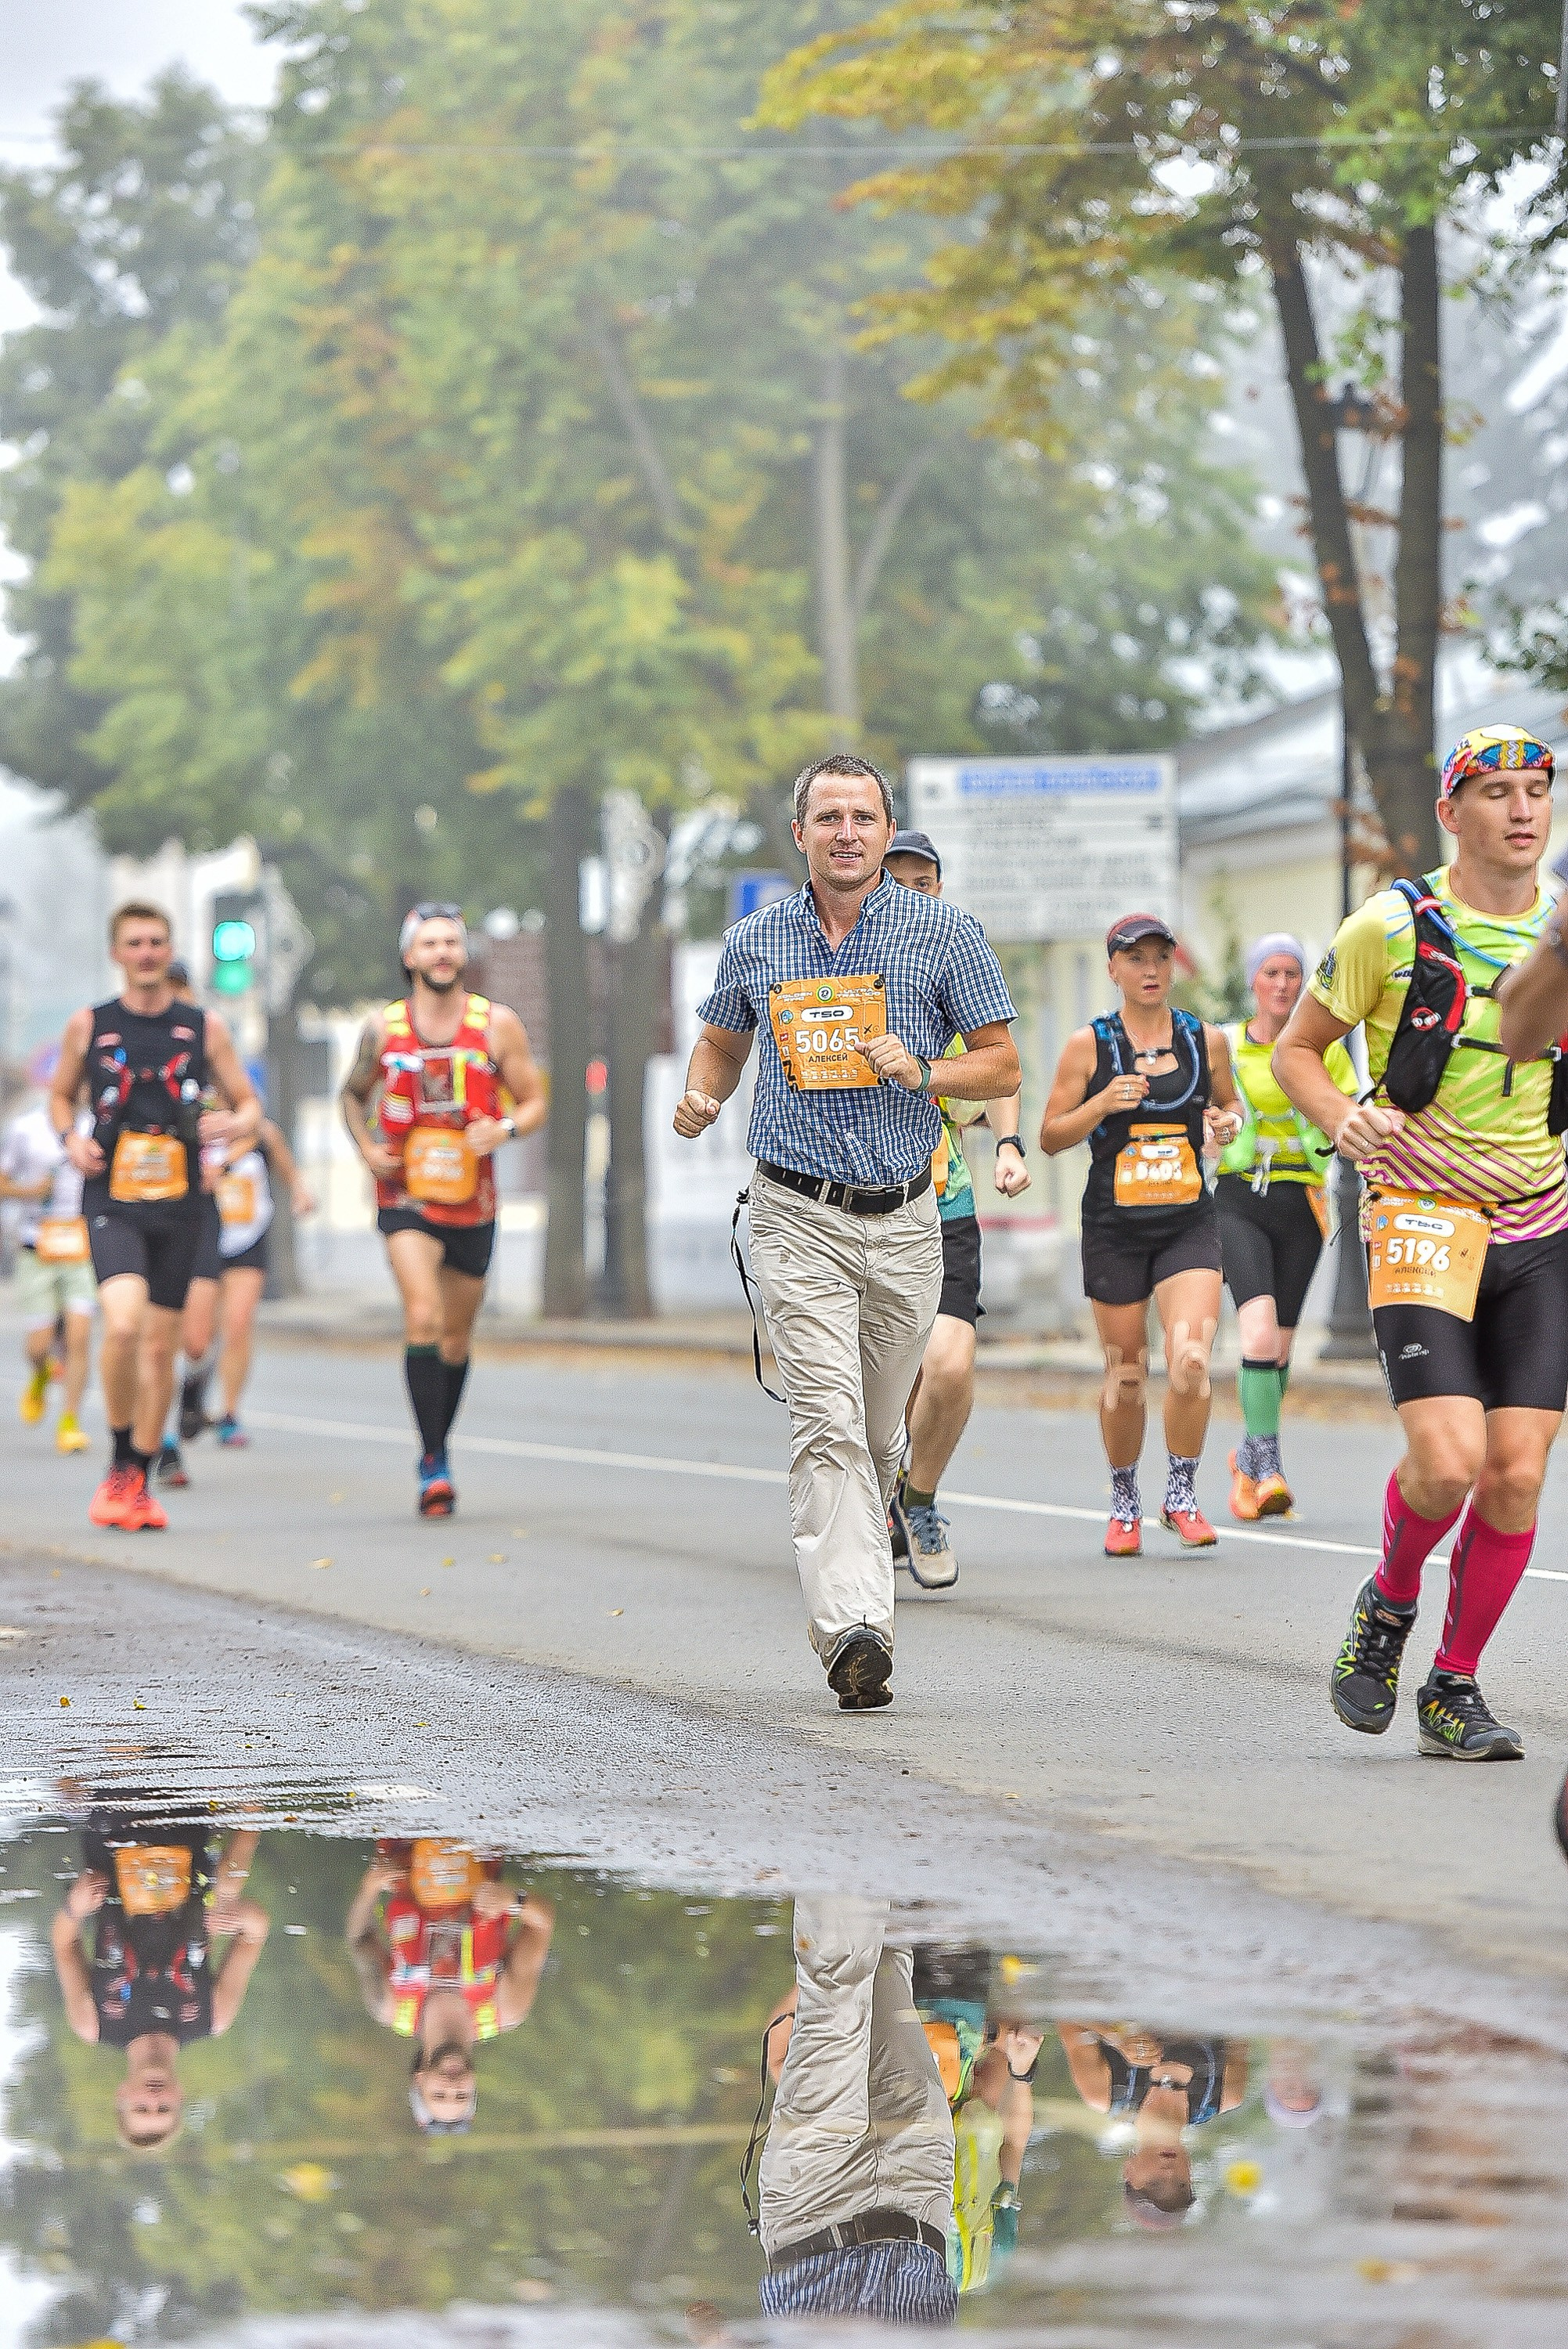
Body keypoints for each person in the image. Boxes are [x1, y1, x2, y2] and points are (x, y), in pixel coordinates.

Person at [674, 756, 1019, 1711]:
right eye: (826, 817)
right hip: (794, 1214)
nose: (845, 833)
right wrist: (705, 1091)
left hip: (906, 1218)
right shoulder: (756, 940)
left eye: (862, 817)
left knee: (874, 1433)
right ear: (800, 834)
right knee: (824, 1424)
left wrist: (922, 1070)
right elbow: (721, 1039)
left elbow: (997, 1065)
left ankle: (894, 1502)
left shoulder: (945, 936)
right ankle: (854, 1632)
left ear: (884, 828)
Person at [1274, 724, 1567, 1761]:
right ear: (1450, 813)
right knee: (1447, 1462)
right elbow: (1295, 1050)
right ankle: (1387, 1600)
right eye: (1494, 791)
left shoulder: (1562, 931)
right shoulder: (1389, 927)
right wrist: (1337, 1117)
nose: (1521, 809)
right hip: (1418, 1217)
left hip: (1538, 1224)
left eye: (1535, 788)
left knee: (1516, 1476)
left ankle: (1451, 1687)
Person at [49, 902, 259, 1532]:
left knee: (162, 1347)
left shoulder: (203, 1028)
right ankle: (119, 1458)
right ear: (116, 953)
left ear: (170, 951)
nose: (146, 953)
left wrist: (232, 1122)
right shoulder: (89, 1025)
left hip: (182, 1201)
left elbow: (249, 1105)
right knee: (121, 1326)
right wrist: (69, 1138)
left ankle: (137, 1477)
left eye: (156, 942)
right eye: (134, 942)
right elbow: (62, 1096)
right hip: (112, 1197)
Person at [1040, 912, 1242, 1557]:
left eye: (1159, 957)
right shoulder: (1088, 1046)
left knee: (1189, 1361)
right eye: (1135, 959)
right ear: (1113, 970)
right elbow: (1049, 1136)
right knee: (1126, 1372)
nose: (1150, 970)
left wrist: (1226, 1123)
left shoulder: (1203, 1040)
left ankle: (1180, 1494)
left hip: (1187, 1222)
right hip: (1114, 1228)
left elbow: (1229, 1104)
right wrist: (1101, 1103)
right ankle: (1123, 1499)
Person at [341, 904, 547, 1517]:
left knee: (455, 1337)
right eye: (429, 944)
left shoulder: (496, 1026)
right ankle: (432, 1461)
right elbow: (351, 1097)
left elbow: (533, 1101)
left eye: (451, 943)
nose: (441, 953)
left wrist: (504, 1129)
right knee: (423, 1315)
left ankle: (439, 1441)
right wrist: (365, 1147)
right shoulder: (383, 1029)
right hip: (405, 1195)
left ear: (463, 955)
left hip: (473, 1200)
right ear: (409, 956)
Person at [881, 828, 1029, 1591]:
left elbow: (998, 1065)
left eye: (924, 881)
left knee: (947, 1362)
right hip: (854, 1210)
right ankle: (877, 1498)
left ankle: (920, 1496)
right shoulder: (839, 966)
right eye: (895, 880)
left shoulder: (952, 960)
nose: (911, 893)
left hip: (941, 1201)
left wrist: (1008, 1146)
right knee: (882, 1378)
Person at [751, 1897, 957, 2326]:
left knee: (834, 2001)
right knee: (890, 1962)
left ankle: (843, 1841)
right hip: (918, 2197)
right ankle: (901, 1839)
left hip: (813, 2205)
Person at [1215, 935, 1357, 1520]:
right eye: (1271, 973)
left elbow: (1348, 1110)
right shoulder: (1224, 1044)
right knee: (1257, 1338)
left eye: (1293, 974)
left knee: (1281, 1350)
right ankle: (1268, 1464)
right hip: (1238, 1198)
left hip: (1301, 1201)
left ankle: (1248, 1463)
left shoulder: (1324, 1049)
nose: (1282, 984)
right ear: (1254, 982)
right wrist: (1215, 1123)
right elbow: (1202, 1105)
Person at [50, 1812, 269, 2151]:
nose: (154, 2098)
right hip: (187, 1837)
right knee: (227, 1890)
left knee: (96, 1775)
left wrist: (73, 1909)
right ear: (180, 2095)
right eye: (164, 2108)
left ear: (122, 2093)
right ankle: (250, 1809)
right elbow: (256, 1934)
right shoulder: (213, 2017)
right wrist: (241, 1915)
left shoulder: (93, 2024)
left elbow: (64, 1944)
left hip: (112, 1842)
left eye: (142, 2108)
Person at [345, 1839, 555, 2134]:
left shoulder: (389, 2007)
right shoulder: (505, 2009)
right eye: (462, 2095)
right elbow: (543, 1922)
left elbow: (360, 1939)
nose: (453, 2086)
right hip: (479, 1844)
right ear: (474, 2086)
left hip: (404, 1845)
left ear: (419, 2079)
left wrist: (370, 1887)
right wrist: (514, 1902)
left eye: (439, 2094)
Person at [157, 1105, 316, 1481]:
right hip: (197, 1238)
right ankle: (192, 1389)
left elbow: (277, 1150)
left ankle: (228, 1413)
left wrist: (298, 1190)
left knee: (239, 1323)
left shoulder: (256, 1131)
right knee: (196, 1338)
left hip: (246, 1239)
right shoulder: (185, 1127)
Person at [1055, 2021, 1248, 2228]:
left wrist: (1116, 2036)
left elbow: (1068, 2020)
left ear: (1129, 2171)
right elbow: (1242, 2024)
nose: (1168, 2173)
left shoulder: (1104, 2092)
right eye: (1181, 2185)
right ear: (1190, 2172)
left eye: (1154, 2183)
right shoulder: (1224, 2095)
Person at [0, 1088, 96, 1452]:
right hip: (36, 1245)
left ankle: (70, 1421)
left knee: (79, 1338)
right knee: (39, 1346)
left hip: (83, 1246)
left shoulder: (95, 1126)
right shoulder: (25, 1130)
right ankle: (40, 1374)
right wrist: (30, 1191)